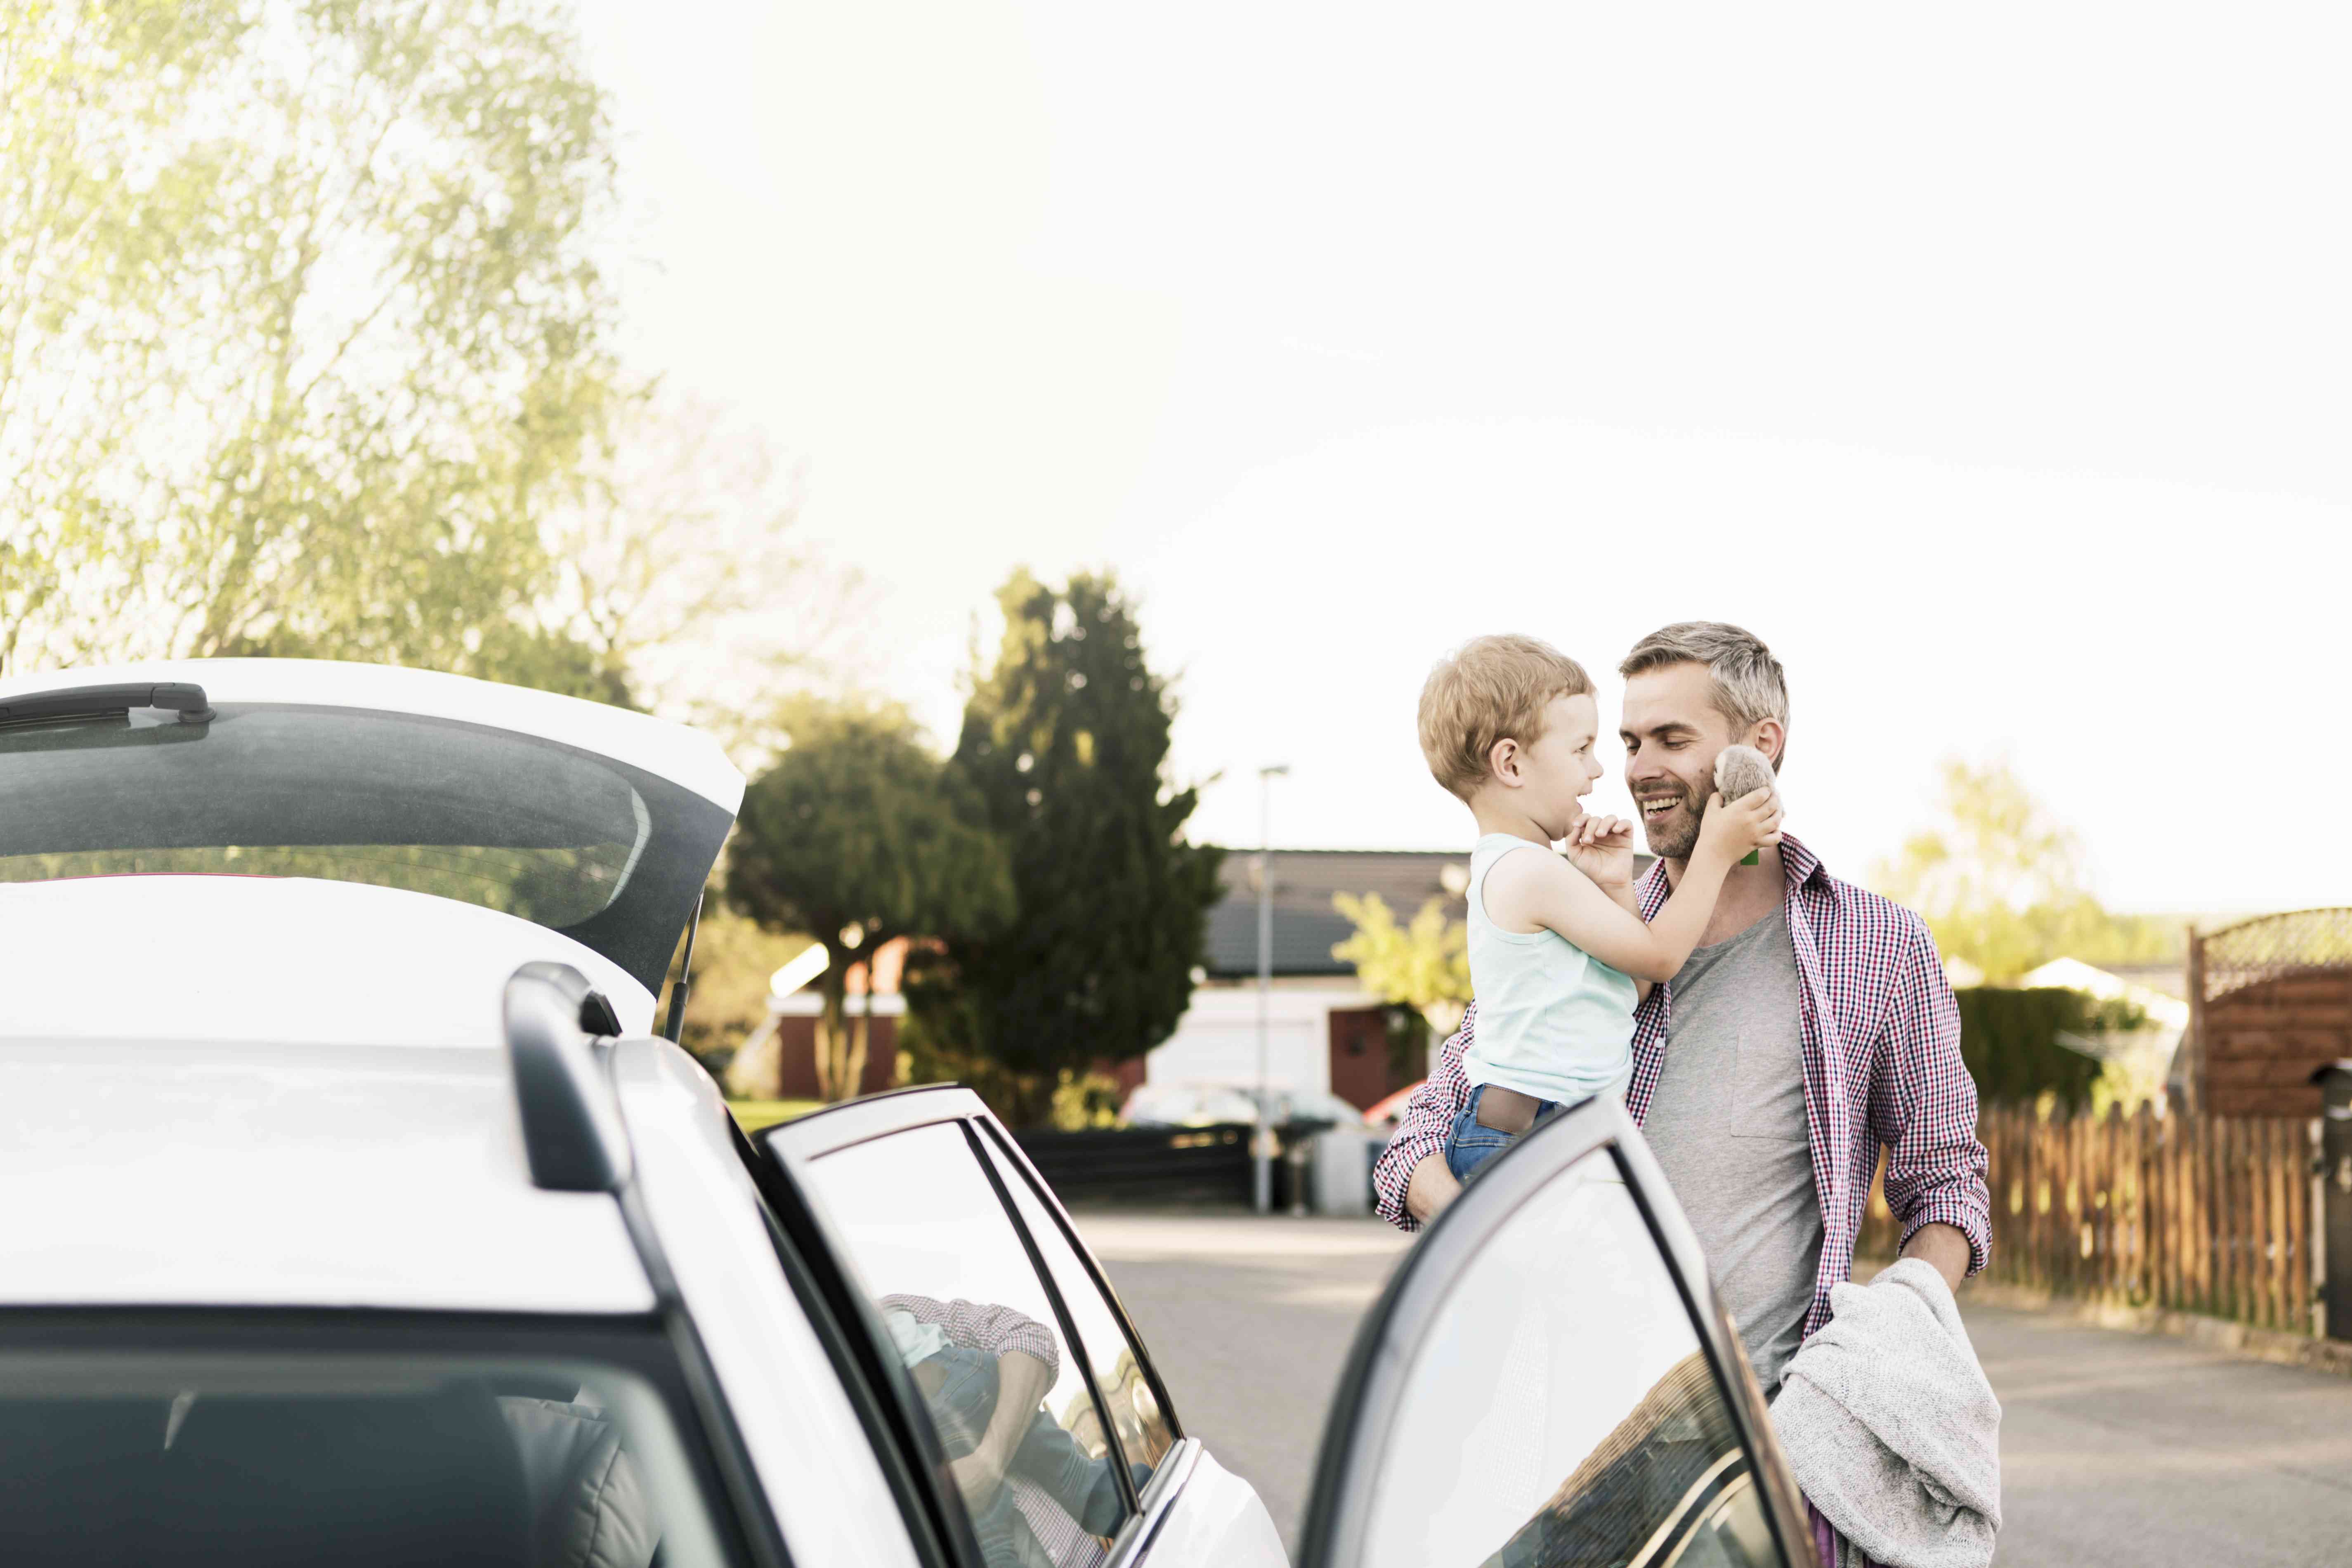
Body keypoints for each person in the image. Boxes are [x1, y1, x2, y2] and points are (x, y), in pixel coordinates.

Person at [1372, 621, 1991, 1566]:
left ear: (1761, 747)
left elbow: (1945, 1179)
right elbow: (1421, 1133)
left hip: (1758, 1452)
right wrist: (1477, 1235)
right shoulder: (1584, 920)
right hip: (1564, 1441)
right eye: (1624, 744)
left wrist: (1889, 1335)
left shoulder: (1877, 946)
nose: (1637, 769)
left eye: (1671, 740)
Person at [1414, 635, 1781, 1183]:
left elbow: (1629, 990)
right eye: (1580, 749)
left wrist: (1616, 888)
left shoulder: (1535, 873)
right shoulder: (1530, 873)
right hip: (1532, 1136)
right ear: (1511, 763)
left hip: (1551, 1131)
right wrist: (1717, 850)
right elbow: (1659, 960)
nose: (1600, 771)